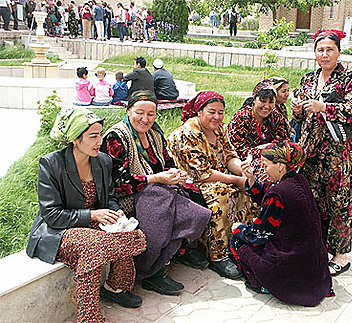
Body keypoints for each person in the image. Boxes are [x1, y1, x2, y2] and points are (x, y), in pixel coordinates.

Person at [26, 107, 147, 323]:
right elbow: (52, 215)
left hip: (91, 226)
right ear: (75, 138)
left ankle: (115, 287)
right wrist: (92, 215)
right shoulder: (51, 164)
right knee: (95, 247)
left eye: (100, 134)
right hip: (59, 230)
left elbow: (108, 197)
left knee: (132, 235)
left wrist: (113, 211)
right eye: (93, 136)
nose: (99, 141)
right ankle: (88, 316)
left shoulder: (102, 161)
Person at [101, 90, 211, 296]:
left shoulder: (154, 133)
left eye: (151, 114)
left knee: (194, 202)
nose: (145, 119)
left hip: (157, 190)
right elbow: (118, 183)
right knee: (162, 205)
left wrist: (173, 173)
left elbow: (167, 162)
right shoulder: (116, 137)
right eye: (139, 113)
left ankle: (174, 254)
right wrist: (156, 179)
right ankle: (150, 271)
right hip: (131, 197)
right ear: (128, 110)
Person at [291, 29, 352, 276]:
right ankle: (318, 245)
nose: (324, 55)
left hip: (336, 152)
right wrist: (298, 109)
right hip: (310, 151)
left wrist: (325, 107)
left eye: (329, 50)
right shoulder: (308, 79)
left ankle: (341, 254)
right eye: (320, 50)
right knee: (312, 199)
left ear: (339, 52)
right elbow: (300, 116)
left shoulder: (350, 80)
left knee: (339, 201)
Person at [168, 91, 258, 280]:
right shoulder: (187, 134)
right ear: (199, 111)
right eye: (211, 112)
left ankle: (241, 243)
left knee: (250, 190)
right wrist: (235, 180)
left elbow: (230, 156)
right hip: (191, 182)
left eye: (221, 112)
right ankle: (218, 255)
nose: (217, 117)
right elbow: (201, 173)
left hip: (218, 176)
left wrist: (243, 171)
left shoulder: (220, 130)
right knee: (222, 194)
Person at [230, 140, 333, 306]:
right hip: (315, 272)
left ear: (280, 165)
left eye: (265, 164)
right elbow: (266, 192)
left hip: (291, 269)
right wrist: (250, 178)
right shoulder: (298, 180)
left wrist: (239, 229)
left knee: (237, 241)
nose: (263, 168)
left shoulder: (279, 192)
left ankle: (264, 284)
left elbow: (258, 235)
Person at [228, 79, 292, 182]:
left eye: (271, 102)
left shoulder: (275, 116)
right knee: (265, 175)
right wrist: (262, 153)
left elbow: (283, 140)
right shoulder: (241, 117)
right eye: (262, 101)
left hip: (272, 158)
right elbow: (237, 147)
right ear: (254, 99)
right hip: (246, 160)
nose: (266, 106)